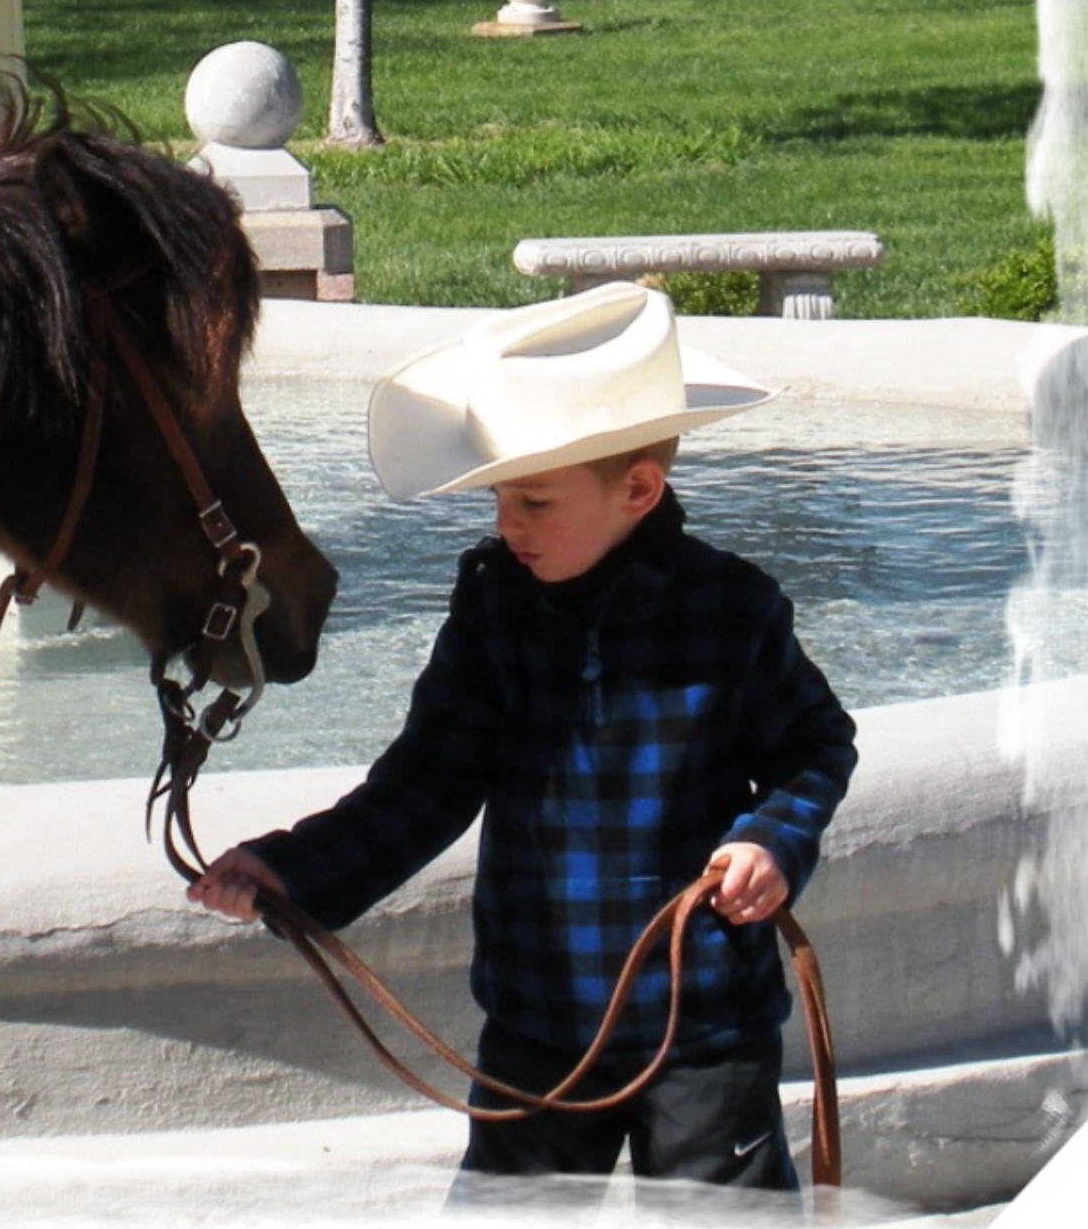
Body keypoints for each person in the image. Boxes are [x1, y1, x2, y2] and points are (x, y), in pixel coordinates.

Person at [191, 284, 855, 1195]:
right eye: (500, 497)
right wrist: (293, 873)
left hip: (705, 1026)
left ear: (638, 489)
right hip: (538, 1024)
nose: (507, 524)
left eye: (534, 501)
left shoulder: (732, 610)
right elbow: (427, 781)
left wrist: (772, 842)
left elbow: (815, 747)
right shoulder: (494, 609)